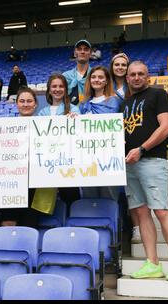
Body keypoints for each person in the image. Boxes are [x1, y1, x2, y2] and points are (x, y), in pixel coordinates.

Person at [123, 60, 168, 281]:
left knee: (161, 211)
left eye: (141, 73)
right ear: (127, 77)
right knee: (141, 214)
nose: (137, 77)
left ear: (147, 76)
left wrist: (141, 149)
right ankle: (152, 263)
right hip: (129, 165)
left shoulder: (158, 95)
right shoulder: (125, 102)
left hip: (151, 160)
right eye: (133, 74)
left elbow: (166, 127)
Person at [0, 88, 55, 227]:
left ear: (35, 104)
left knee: (28, 224)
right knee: (8, 221)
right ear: (16, 104)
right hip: (10, 182)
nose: (25, 104)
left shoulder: (46, 126)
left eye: (29, 101)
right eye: (22, 101)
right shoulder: (5, 127)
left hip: (34, 182)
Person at [38, 73, 81, 211]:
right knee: (46, 204)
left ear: (66, 89)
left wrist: (76, 121)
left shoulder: (74, 109)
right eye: (54, 86)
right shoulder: (42, 112)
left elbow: (79, 135)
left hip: (67, 163)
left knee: (70, 200)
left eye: (61, 86)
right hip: (47, 163)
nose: (57, 89)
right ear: (49, 90)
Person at [79, 66, 121, 201]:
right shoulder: (84, 104)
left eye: (101, 77)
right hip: (87, 157)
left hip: (109, 157)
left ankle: (111, 222)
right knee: (89, 195)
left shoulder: (114, 101)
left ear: (107, 81)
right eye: (93, 77)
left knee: (109, 194)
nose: (97, 80)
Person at [63, 39, 92, 106]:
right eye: (79, 49)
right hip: (71, 113)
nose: (82, 52)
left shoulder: (95, 75)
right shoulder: (66, 76)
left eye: (86, 49)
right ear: (75, 53)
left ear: (90, 54)